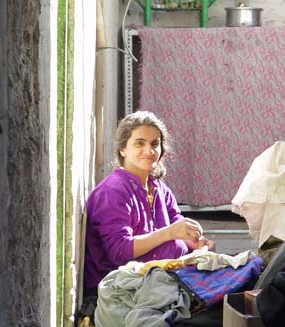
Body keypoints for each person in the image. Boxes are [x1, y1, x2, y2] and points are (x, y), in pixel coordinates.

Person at [83, 111, 214, 295]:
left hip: (160, 281)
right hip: (122, 291)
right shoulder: (112, 191)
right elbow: (119, 251)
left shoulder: (159, 189)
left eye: (155, 144)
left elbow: (179, 229)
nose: (149, 151)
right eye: (139, 143)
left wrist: (198, 243)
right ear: (123, 149)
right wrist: (169, 233)